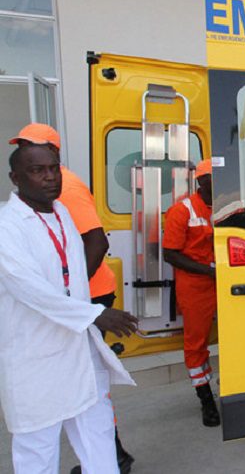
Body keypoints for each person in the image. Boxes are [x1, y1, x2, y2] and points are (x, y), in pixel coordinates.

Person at [0, 141, 138, 473]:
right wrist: (95, 313)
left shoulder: (61, 212)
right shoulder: (7, 226)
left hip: (78, 351)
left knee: (97, 434)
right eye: (37, 170)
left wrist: (88, 315)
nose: (50, 177)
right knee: (38, 448)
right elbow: (28, 288)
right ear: (15, 178)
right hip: (35, 356)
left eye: (54, 168)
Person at [163, 159, 220, 427]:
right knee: (196, 344)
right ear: (202, 181)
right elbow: (170, 254)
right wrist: (208, 271)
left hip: (227, 284)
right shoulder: (181, 210)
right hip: (196, 286)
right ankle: (205, 399)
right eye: (215, 177)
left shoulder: (229, 207)